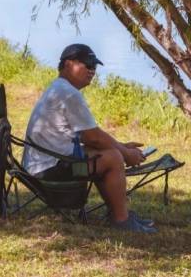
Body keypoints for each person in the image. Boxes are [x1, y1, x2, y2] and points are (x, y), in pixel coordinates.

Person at [22, 43, 156, 233]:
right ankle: (121, 220)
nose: (92, 70)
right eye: (87, 64)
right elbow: (93, 137)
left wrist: (120, 146)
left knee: (107, 153)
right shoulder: (69, 94)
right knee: (113, 159)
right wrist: (124, 153)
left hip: (44, 163)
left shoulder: (58, 88)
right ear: (68, 65)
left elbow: (88, 136)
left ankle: (119, 213)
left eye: (94, 66)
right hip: (50, 169)